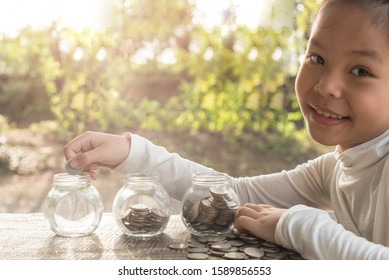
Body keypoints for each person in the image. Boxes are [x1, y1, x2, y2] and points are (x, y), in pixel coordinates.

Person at [64, 0, 389, 259]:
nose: (326, 85)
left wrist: (297, 224)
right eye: (316, 58)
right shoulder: (335, 168)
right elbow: (234, 194)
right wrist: (133, 153)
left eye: (360, 70)